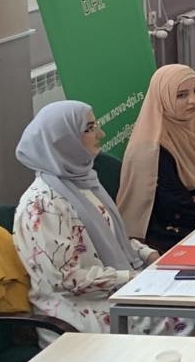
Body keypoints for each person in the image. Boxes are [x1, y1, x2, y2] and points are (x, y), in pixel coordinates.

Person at [14, 101, 163, 336]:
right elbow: (66, 279)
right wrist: (133, 277)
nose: (100, 134)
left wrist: (148, 255)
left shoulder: (83, 183)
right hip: (79, 313)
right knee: (190, 321)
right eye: (90, 128)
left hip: (112, 292)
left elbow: (112, 239)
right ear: (63, 140)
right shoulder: (41, 205)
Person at [114, 65, 195, 254]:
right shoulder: (151, 145)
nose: (193, 100)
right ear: (163, 98)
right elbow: (173, 203)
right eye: (181, 95)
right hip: (168, 226)